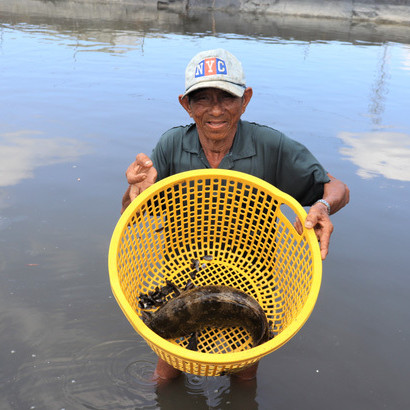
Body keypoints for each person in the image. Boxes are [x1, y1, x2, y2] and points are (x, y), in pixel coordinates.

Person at [121, 49, 350, 382]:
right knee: (165, 374)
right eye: (202, 99)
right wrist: (133, 193)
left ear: (246, 99)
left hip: (250, 281)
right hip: (183, 278)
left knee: (243, 376)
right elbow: (133, 215)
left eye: (227, 97)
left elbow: (338, 188)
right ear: (186, 104)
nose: (215, 110)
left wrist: (323, 206)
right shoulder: (171, 145)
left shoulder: (271, 146)